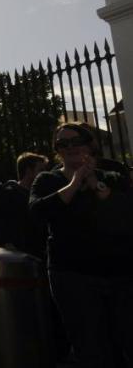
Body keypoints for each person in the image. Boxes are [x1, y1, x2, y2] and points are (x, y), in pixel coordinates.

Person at [30, 122, 133, 365]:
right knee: (90, 346)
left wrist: (97, 185)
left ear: (89, 143)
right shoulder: (47, 179)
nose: (70, 147)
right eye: (62, 144)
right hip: (73, 274)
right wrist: (75, 183)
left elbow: (125, 211)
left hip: (121, 272)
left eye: (75, 141)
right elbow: (37, 212)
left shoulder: (113, 172)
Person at [0, 151, 49, 258]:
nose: (45, 174)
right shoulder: (8, 195)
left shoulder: (40, 195)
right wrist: (7, 243)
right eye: (41, 170)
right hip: (18, 257)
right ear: (28, 171)